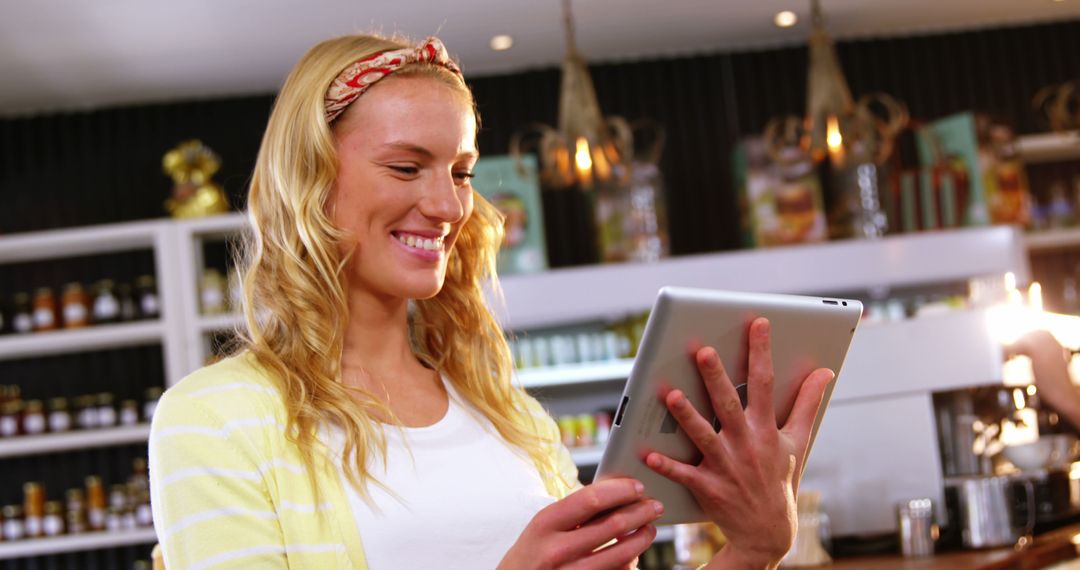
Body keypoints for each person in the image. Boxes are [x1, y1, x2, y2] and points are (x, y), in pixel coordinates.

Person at [148, 33, 836, 570]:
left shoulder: (514, 421)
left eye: (461, 172)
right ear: (310, 182)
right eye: (405, 166)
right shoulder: (213, 423)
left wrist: (754, 548)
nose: (448, 205)